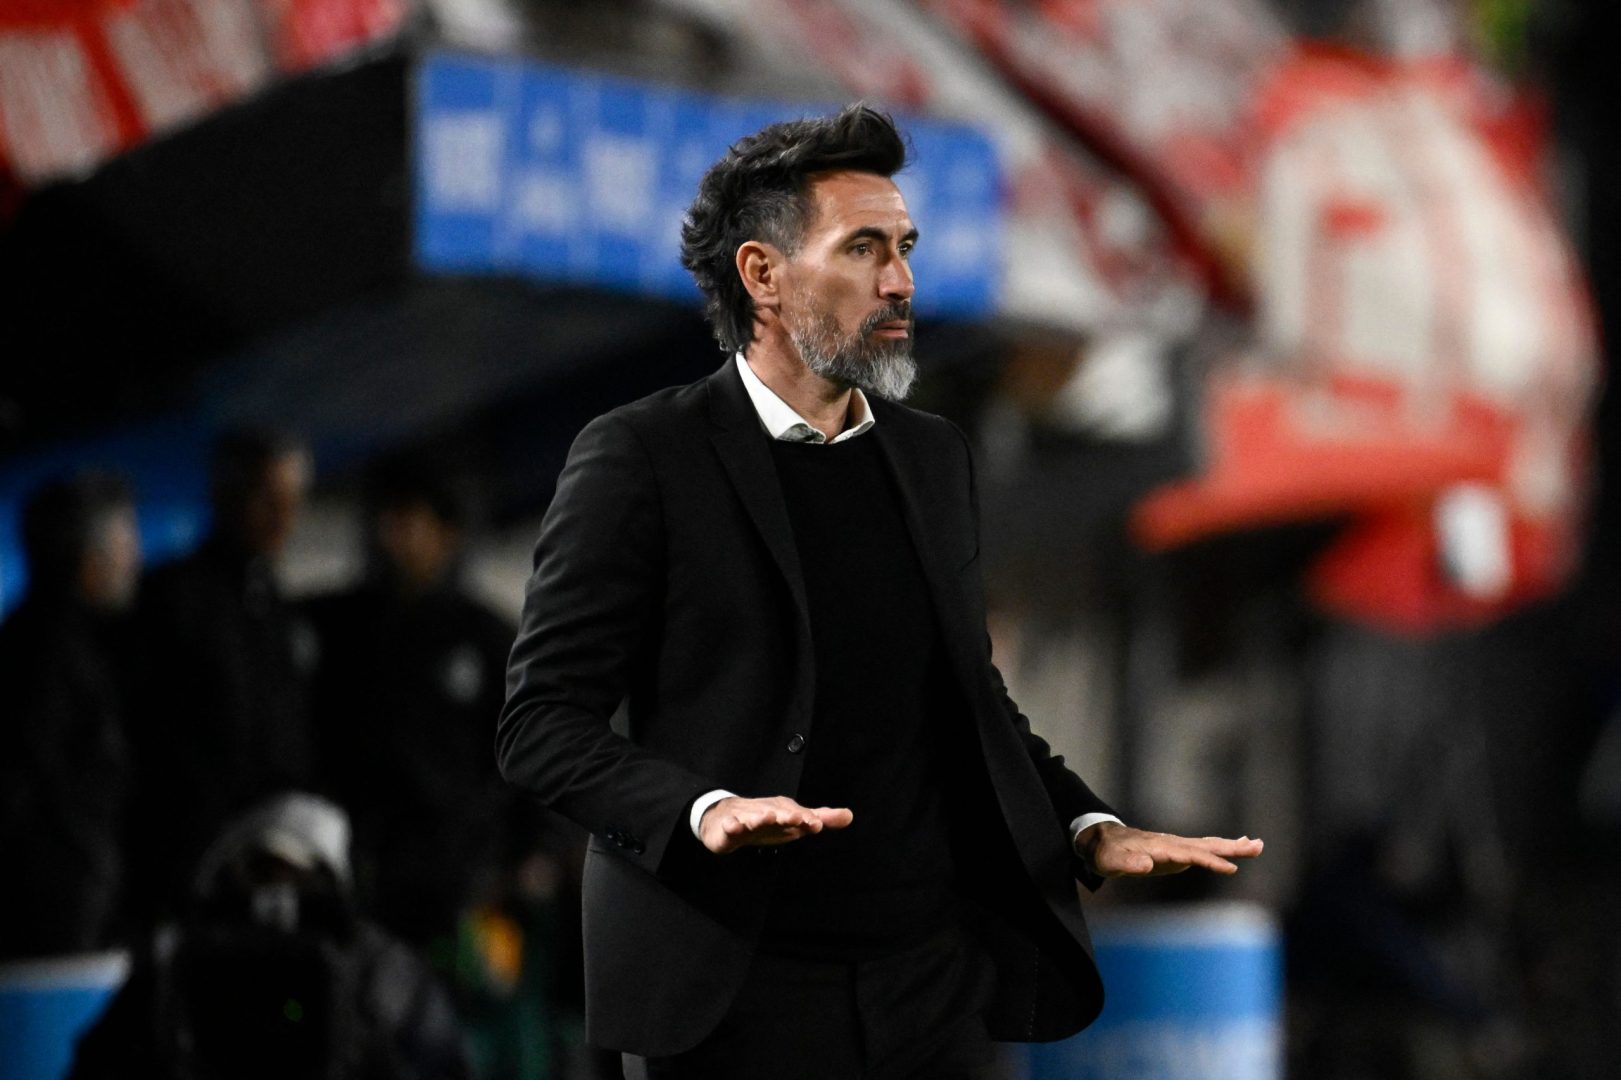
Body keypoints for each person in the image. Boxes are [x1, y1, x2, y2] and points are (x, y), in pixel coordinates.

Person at [497, 105, 1263, 1078]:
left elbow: (969, 701)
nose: (898, 280)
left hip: (935, 986)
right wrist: (699, 810)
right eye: (862, 249)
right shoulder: (640, 458)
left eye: (902, 247)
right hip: (735, 995)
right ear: (762, 276)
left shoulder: (932, 459)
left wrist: (1087, 825)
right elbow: (540, 725)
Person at [70, 792, 471, 1080]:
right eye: (261, 873)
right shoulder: (173, 966)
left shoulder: (385, 976)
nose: (281, 899)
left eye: (305, 879)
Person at [125, 428, 316, 926]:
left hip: (263, 861)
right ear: (226, 495)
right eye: (269, 499)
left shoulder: (276, 607)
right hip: (184, 864)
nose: (284, 518)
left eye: (294, 500)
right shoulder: (171, 599)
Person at [0, 472, 140, 957]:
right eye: (124, 544)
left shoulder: (48, 643)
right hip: (52, 926)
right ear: (88, 557)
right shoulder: (52, 657)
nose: (133, 561)